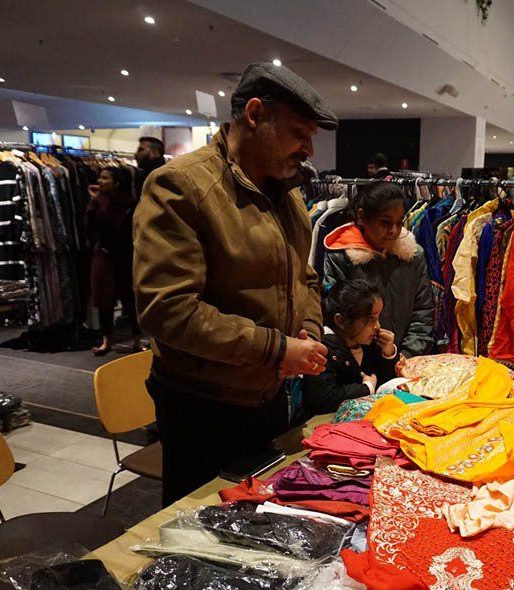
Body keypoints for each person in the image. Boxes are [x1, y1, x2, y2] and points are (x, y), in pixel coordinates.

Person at [133, 62, 337, 505]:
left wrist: (310, 337)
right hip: (201, 407)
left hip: (268, 396)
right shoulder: (180, 186)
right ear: (256, 114)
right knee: (196, 538)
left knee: (258, 528)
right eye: (300, 134)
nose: (308, 150)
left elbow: (305, 276)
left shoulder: (288, 194)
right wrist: (279, 349)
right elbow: (168, 310)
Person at [323, 181, 435, 361]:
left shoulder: (413, 255)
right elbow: (336, 317)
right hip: (356, 366)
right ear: (361, 217)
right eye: (385, 222)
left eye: (399, 223)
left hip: (403, 360)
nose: (394, 231)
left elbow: (423, 311)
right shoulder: (342, 256)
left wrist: (406, 355)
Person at [303, 280, 399, 415]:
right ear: (341, 321)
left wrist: (388, 353)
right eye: (371, 319)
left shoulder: (369, 344)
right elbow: (323, 400)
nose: (378, 326)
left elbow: (385, 381)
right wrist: (366, 389)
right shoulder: (322, 349)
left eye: (378, 317)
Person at [85, 167, 137, 356]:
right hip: (103, 254)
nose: (100, 181)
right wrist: (93, 203)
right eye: (100, 177)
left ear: (116, 182)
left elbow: (116, 226)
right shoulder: (97, 201)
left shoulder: (128, 202)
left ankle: (137, 339)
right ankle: (106, 340)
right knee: (103, 299)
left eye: (105, 178)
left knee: (130, 299)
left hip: (124, 255)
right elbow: (89, 226)